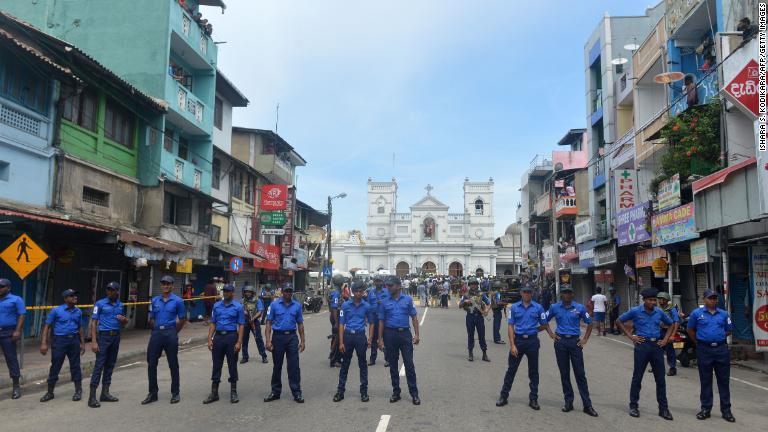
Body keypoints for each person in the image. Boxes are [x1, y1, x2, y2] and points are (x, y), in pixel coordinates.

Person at [616, 288, 674, 420]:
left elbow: (671, 324)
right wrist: (631, 336)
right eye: (650, 300)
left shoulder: (659, 312)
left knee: (660, 379)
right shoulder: (636, 311)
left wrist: (665, 340)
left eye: (655, 300)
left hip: (656, 347)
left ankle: (663, 409)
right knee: (637, 377)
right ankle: (633, 406)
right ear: (644, 300)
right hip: (642, 346)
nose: (653, 302)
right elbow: (619, 321)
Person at [543, 286, 598, 417]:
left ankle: (587, 405)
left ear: (572, 294)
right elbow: (544, 320)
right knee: (564, 373)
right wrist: (551, 334)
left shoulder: (579, 308)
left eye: (569, 293)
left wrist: (585, 339)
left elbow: (589, 322)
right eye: (564, 293)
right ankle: (568, 402)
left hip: (575, 343)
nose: (567, 295)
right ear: (561, 294)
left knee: (580, 374)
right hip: (560, 342)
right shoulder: (554, 307)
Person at [687, 290, 735, 422]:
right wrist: (698, 341)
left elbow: (729, 330)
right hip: (704, 350)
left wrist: (717, 338)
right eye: (710, 298)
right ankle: (705, 409)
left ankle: (726, 411)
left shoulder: (724, 314)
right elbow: (690, 329)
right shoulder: (697, 313)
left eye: (715, 298)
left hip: (721, 350)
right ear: (704, 299)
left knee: (724, 381)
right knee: (706, 380)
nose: (713, 301)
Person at [496, 285, 546, 410]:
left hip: (532, 342)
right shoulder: (514, 307)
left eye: (529, 292)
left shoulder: (538, 307)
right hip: (518, 341)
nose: (527, 294)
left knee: (533, 372)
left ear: (532, 293)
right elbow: (510, 326)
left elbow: (544, 324)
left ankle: (533, 398)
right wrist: (512, 345)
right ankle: (503, 396)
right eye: (525, 292)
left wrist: (533, 330)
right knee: (511, 370)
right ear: (521, 293)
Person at [141, 275, 186, 405]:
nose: (166, 286)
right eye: (163, 284)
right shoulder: (155, 300)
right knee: (151, 363)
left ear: (172, 286)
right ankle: (153, 393)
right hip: (156, 334)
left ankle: (175, 393)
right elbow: (152, 317)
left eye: (168, 284)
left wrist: (173, 331)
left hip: (170, 332)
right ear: (161, 285)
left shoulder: (178, 301)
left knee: (173, 363)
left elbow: (182, 319)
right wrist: (156, 328)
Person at [378, 276, 421, 405]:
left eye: (390, 286)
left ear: (398, 286)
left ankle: (414, 393)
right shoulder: (384, 302)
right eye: (387, 286)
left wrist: (417, 335)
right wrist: (380, 339)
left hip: (405, 335)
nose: (388, 288)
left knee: (409, 364)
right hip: (390, 334)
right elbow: (381, 321)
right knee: (393, 365)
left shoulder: (407, 300)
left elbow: (414, 318)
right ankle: (396, 392)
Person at [40, 289, 85, 403]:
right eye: (71, 296)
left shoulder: (78, 311)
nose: (75, 297)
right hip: (59, 341)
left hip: (73, 340)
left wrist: (82, 343)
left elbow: (80, 327)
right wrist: (44, 343)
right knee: (55, 366)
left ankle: (78, 391)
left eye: (75, 295)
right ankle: (50, 392)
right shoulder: (56, 311)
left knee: (75, 365)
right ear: (65, 299)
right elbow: (47, 326)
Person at [87, 282, 128, 408]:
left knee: (110, 365)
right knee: (99, 366)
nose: (109, 292)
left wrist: (124, 320)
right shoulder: (100, 304)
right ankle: (92, 397)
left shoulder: (121, 305)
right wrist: (94, 342)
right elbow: (93, 323)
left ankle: (105, 393)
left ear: (117, 291)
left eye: (112, 290)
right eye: (108, 289)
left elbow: (124, 323)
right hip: (103, 337)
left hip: (115, 336)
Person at [264, 284, 306, 403]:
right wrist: (268, 340)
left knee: (294, 366)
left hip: (292, 337)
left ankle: (297, 392)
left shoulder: (297, 306)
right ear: (282, 292)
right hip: (278, 337)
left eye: (290, 291)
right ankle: (275, 392)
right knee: (277, 366)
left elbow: (300, 324)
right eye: (286, 291)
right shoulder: (274, 305)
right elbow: (268, 323)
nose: (288, 293)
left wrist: (303, 341)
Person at [203, 284, 245, 404]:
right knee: (217, 364)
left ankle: (233, 392)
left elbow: (241, 324)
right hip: (218, 337)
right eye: (224, 291)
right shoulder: (216, 306)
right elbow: (213, 323)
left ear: (232, 293)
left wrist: (239, 341)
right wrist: (210, 339)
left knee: (232, 364)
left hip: (231, 336)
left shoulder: (238, 307)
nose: (225, 293)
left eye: (228, 291)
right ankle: (214, 393)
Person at [334, 282, 373, 402]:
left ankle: (364, 392)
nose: (360, 293)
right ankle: (340, 392)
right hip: (347, 337)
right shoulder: (345, 306)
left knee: (362, 364)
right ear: (353, 292)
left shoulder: (366, 306)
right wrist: (341, 342)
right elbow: (341, 324)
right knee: (345, 364)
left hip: (360, 336)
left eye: (361, 291)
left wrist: (370, 339)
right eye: (357, 291)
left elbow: (372, 323)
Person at [0, 278, 25, 399]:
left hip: (8, 333)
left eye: (1, 286)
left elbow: (22, 315)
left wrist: (17, 331)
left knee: (11, 359)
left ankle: (16, 386)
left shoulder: (16, 299)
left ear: (8, 288)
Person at [459, 278, 490, 362]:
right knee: (470, 336)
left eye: (475, 284)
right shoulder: (466, 295)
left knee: (482, 336)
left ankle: (484, 354)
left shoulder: (481, 294)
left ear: (477, 285)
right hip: (470, 317)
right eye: (472, 284)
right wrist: (466, 301)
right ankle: (470, 353)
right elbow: (460, 305)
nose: (473, 286)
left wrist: (486, 310)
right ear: (469, 285)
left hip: (479, 317)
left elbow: (488, 302)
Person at [241, 285, 268, 364]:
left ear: (252, 292)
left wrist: (253, 318)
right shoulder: (243, 301)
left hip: (255, 322)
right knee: (244, 340)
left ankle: (264, 356)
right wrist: (244, 312)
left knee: (258, 339)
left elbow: (260, 311)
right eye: (246, 292)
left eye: (249, 292)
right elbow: (240, 310)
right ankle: (245, 357)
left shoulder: (257, 300)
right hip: (245, 322)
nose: (247, 293)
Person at [367, 274, 389, 366]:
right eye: (376, 281)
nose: (378, 283)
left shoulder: (387, 292)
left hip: (383, 318)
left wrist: (382, 302)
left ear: (382, 282)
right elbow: (368, 304)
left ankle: (387, 359)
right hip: (373, 317)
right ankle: (372, 359)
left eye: (379, 281)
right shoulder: (371, 292)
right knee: (373, 338)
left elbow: (390, 302)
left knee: (385, 338)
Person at [657, 292, 680, 376]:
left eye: (662, 299)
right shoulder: (658, 309)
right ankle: (657, 367)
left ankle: (672, 368)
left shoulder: (672, 309)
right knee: (657, 349)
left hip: (669, 331)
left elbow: (676, 322)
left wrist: (673, 335)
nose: (660, 300)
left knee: (670, 351)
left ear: (667, 300)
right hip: (660, 331)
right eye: (659, 299)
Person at [328, 278, 343, 367]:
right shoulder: (336, 293)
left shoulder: (334, 291)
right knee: (337, 338)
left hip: (336, 316)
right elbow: (334, 307)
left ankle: (334, 357)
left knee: (335, 337)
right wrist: (336, 323)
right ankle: (334, 359)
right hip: (336, 317)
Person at [491, 280, 506, 344]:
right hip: (497, 310)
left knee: (495, 325)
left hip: (495, 309)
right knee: (497, 325)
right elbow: (498, 302)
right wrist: (504, 303)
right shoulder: (498, 293)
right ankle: (497, 339)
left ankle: (496, 338)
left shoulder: (493, 293)